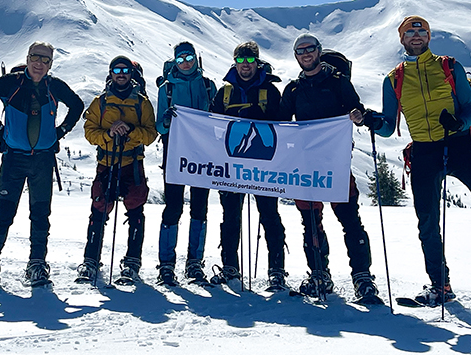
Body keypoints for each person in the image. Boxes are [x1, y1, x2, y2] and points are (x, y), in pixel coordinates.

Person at [360, 15, 471, 306]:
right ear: (401, 39)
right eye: (410, 32)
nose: (416, 36)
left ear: (429, 37)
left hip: (458, 143)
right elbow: (389, 126)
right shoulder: (394, 79)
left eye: (422, 31)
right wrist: (371, 120)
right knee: (427, 222)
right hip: (424, 151)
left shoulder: (449, 66)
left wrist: (459, 123)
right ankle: (440, 285)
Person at [0, 41, 85, 290]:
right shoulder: (12, 82)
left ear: (51, 64)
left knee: (41, 215)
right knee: (4, 213)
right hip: (14, 159)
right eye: (36, 57)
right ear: (28, 57)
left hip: (42, 160)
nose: (40, 64)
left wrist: (61, 131)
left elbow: (77, 105)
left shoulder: (54, 86)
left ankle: (37, 265)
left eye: (46, 60)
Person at [280, 34, 379, 302]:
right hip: (306, 165)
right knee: (311, 224)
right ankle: (319, 274)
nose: (306, 54)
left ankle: (362, 277)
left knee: (349, 219)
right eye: (300, 51)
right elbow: (279, 123)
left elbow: (356, 108)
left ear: (319, 52)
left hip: (335, 163)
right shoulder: (292, 90)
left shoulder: (338, 83)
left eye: (310, 49)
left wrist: (359, 115)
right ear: (296, 56)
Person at [208, 41, 288, 291]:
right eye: (241, 61)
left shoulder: (271, 92)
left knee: (270, 217)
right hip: (232, 167)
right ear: (235, 63)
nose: (245, 66)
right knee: (230, 217)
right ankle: (230, 266)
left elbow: (283, 126)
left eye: (250, 61)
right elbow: (211, 125)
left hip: (264, 166)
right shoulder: (224, 93)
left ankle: (276, 270)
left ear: (257, 62)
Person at [76, 55, 158, 285]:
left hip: (131, 164)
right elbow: (90, 132)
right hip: (107, 163)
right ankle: (91, 260)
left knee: (134, 212)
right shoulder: (99, 102)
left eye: (124, 70)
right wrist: (109, 134)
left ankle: (132, 262)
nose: (121, 73)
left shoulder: (142, 103)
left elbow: (151, 134)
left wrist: (130, 130)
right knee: (99, 211)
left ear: (131, 74)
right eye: (116, 69)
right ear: (111, 73)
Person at [155, 41, 217, 286]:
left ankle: (194, 262)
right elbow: (159, 126)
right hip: (176, 154)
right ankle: (167, 264)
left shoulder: (208, 86)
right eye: (180, 59)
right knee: (173, 207)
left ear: (195, 58)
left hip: (202, 155)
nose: (185, 62)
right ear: (174, 61)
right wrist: (168, 120)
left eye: (189, 57)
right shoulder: (167, 88)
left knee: (199, 207)